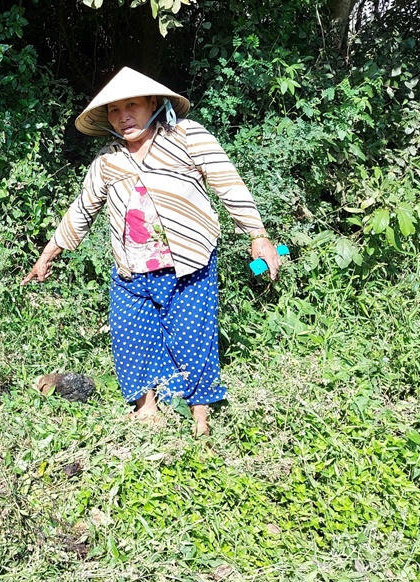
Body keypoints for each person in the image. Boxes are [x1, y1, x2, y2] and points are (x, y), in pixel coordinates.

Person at [22, 67, 281, 436]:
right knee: (132, 339)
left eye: (132, 105)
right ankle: (147, 408)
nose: (123, 116)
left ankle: (200, 417)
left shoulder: (187, 137)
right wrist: (48, 254)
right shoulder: (108, 160)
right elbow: (81, 210)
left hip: (189, 265)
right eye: (114, 110)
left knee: (193, 339)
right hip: (132, 273)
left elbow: (229, 184)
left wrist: (257, 234)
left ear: (154, 104)